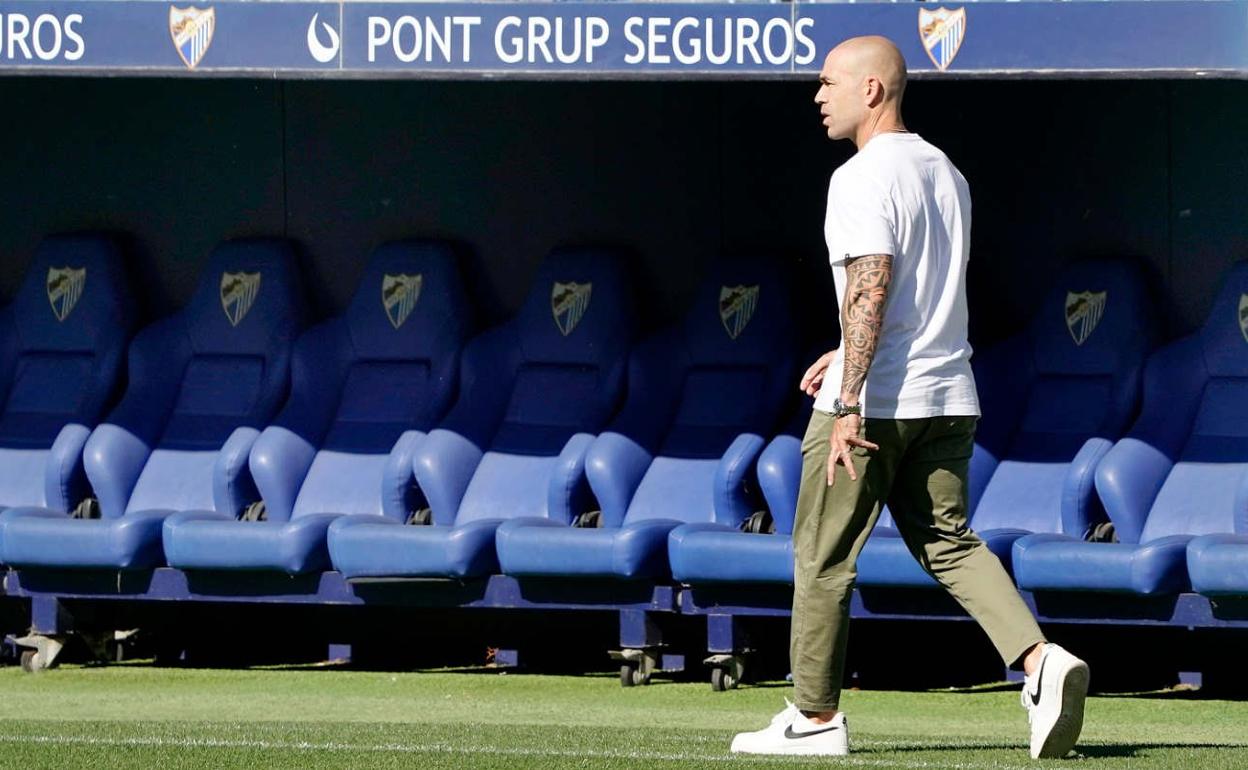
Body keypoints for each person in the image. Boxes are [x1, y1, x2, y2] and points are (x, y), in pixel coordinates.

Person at [729, 35, 1089, 760]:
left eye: (828, 81)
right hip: (949, 393)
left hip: (875, 404)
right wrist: (845, 349)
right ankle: (1041, 661)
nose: (816, 95)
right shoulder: (945, 170)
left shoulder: (859, 177)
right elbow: (912, 292)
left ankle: (815, 718)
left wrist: (848, 396)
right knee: (950, 543)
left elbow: (874, 281)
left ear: (871, 91)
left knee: (822, 556)